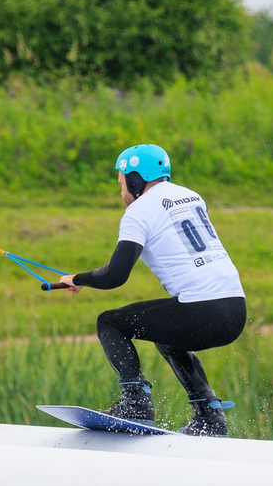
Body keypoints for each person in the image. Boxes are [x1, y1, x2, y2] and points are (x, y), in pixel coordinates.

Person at [46, 142, 246, 435]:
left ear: (135, 178)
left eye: (122, 182)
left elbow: (115, 275)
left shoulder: (139, 211)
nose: (122, 192)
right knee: (169, 339)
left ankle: (136, 403)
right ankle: (208, 414)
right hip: (235, 311)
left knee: (109, 323)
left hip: (202, 309)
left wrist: (76, 279)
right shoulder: (191, 196)